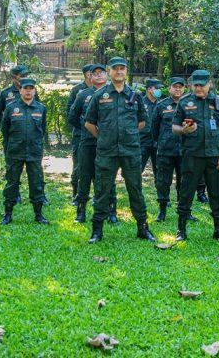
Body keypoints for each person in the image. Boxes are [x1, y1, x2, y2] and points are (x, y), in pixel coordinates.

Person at [84, 56, 155, 244]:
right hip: (106, 151)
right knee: (102, 190)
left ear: (126, 71)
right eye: (115, 68)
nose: (119, 71)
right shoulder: (100, 96)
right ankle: (97, 230)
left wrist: (128, 134)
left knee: (135, 190)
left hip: (130, 150)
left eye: (122, 68)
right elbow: (89, 123)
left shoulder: (135, 95)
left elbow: (142, 122)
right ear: (109, 71)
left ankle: (143, 228)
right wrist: (104, 136)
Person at [171, 69, 219, 244]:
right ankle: (181, 230)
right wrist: (183, 130)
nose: (198, 88)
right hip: (192, 156)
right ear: (191, 85)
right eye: (195, 85)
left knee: (216, 193)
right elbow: (174, 128)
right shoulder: (184, 102)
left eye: (202, 85)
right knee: (186, 193)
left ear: (209, 84)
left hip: (214, 156)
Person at [68, 64, 116, 223]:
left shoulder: (114, 93)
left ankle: (111, 212)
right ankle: (81, 212)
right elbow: (73, 117)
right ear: (90, 77)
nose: (98, 76)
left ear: (106, 75)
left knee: (108, 177)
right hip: (87, 142)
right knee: (84, 176)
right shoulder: (83, 95)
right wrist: (85, 130)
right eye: (94, 73)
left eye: (101, 72)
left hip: (108, 143)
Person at [0, 77, 48, 224]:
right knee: (12, 183)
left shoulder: (41, 108)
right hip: (15, 151)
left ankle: (38, 214)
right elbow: (5, 130)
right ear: (20, 90)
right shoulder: (11, 108)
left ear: (34, 91)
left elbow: (43, 130)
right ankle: (8, 214)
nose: (28, 91)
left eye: (31, 88)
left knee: (36, 183)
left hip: (34, 152)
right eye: (25, 88)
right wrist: (10, 147)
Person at [151, 77, 187, 222]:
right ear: (169, 88)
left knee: (184, 182)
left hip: (185, 150)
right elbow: (154, 128)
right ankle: (162, 211)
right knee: (163, 181)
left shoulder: (189, 105)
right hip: (165, 150)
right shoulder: (161, 106)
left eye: (180, 87)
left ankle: (184, 210)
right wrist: (160, 142)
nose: (178, 89)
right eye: (175, 87)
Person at [66, 64, 93, 204]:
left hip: (97, 136)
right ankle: (76, 195)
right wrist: (81, 128)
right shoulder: (77, 91)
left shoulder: (104, 90)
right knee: (78, 165)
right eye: (90, 72)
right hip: (80, 135)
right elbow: (70, 113)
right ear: (86, 74)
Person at [140, 78, 162, 178]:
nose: (159, 90)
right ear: (149, 89)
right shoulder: (139, 103)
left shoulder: (161, 104)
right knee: (137, 170)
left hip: (157, 143)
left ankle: (160, 193)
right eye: (157, 88)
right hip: (142, 142)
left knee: (159, 172)